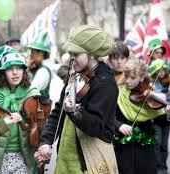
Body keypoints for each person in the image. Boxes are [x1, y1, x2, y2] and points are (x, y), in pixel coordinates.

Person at [34, 25, 119, 174]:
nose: (71, 59)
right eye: (70, 54)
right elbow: (58, 112)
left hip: (91, 159)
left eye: (76, 54)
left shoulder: (106, 83)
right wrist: (46, 141)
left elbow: (96, 127)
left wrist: (75, 112)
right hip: (66, 158)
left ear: (92, 54)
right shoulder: (76, 76)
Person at [0, 45, 40, 174]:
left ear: (24, 71)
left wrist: (25, 117)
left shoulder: (32, 92)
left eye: (19, 68)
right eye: (10, 69)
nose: (15, 72)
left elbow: (39, 126)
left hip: (23, 157)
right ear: (3, 73)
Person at [113, 58, 167, 174]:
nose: (127, 81)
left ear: (142, 77)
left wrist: (168, 113)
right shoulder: (119, 91)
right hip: (124, 147)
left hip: (145, 147)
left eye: (132, 78)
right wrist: (119, 125)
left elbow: (161, 121)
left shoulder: (147, 93)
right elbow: (109, 116)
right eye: (126, 76)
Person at [147, 58, 170, 174]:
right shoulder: (152, 83)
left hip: (167, 117)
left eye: (162, 70)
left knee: (164, 144)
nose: (161, 73)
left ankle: (164, 166)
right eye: (158, 71)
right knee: (157, 142)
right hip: (156, 117)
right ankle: (158, 167)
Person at [26, 32, 52, 100]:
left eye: (37, 52)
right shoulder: (32, 69)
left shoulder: (43, 71)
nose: (32, 54)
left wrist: (26, 69)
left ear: (44, 55)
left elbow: (30, 91)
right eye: (32, 51)